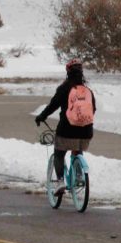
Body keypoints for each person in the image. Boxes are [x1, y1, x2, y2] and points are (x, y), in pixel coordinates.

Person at [35, 59, 96, 195]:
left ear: (68, 72)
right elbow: (93, 109)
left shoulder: (64, 89)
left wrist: (42, 116)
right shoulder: (88, 91)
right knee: (77, 150)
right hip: (86, 132)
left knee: (59, 153)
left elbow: (52, 105)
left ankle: (60, 181)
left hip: (66, 130)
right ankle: (79, 175)